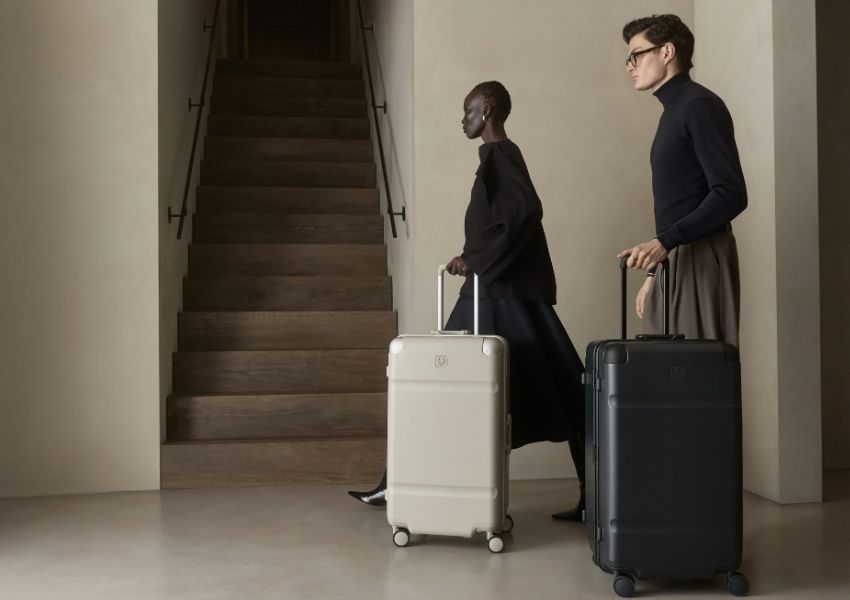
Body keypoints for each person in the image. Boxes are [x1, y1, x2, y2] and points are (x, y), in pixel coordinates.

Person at [348, 81, 587, 522]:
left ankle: (394, 485)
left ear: (488, 109)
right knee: (564, 389)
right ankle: (594, 495)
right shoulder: (497, 158)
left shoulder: (500, 155)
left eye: (468, 110)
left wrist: (473, 260)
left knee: (439, 381)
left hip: (498, 294)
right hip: (499, 292)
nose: (463, 119)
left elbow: (526, 212)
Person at [617, 14, 747, 346]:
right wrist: (654, 271)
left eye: (637, 54)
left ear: (667, 52)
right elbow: (682, 199)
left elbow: (731, 193)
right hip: (676, 255)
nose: (630, 65)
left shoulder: (698, 106)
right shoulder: (674, 111)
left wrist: (665, 243)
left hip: (700, 255)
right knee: (671, 380)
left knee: (697, 378)